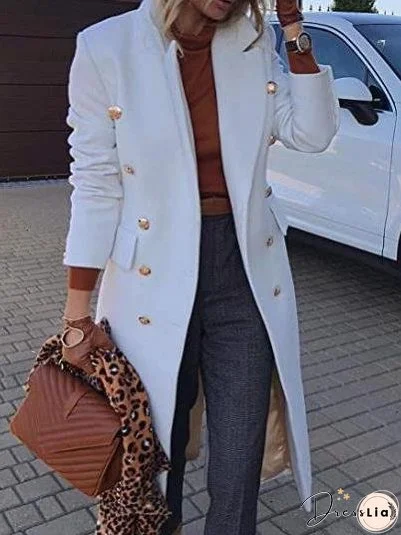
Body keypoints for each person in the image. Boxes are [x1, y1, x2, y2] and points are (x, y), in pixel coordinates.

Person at [60, 0, 339, 532]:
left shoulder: (251, 42)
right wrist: (77, 312)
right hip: (152, 276)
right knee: (153, 448)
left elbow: (313, 133)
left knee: (240, 447)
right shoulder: (105, 47)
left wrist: (293, 29)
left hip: (242, 267)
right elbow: (94, 184)